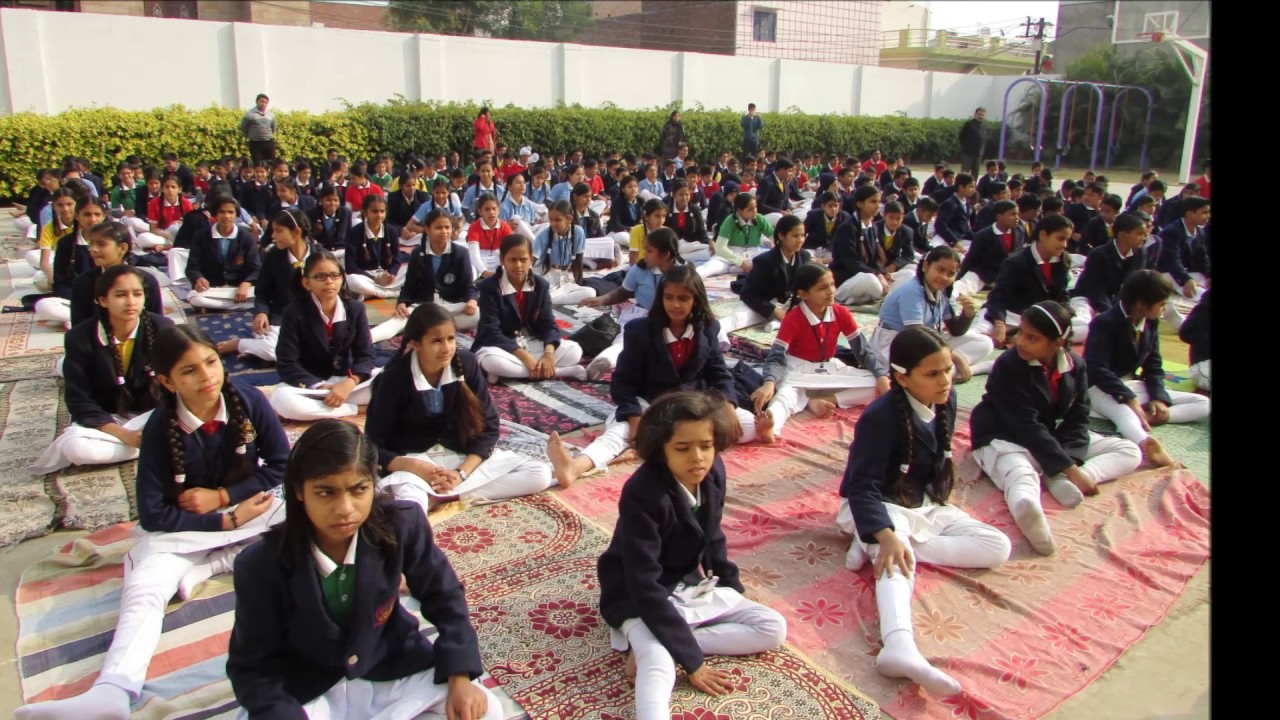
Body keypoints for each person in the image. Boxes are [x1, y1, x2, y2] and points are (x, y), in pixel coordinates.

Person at [15, 325, 288, 720]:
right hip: (188, 529)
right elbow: (154, 513)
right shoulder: (161, 426)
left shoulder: (248, 401)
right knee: (145, 587)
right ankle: (113, 689)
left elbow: (280, 466)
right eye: (189, 371)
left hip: (251, 513)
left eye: (211, 362)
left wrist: (226, 498)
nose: (207, 376)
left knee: (310, 519)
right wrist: (223, 522)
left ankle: (209, 566)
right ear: (167, 381)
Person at [225, 421, 501, 720]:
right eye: (326, 493)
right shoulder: (260, 564)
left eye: (359, 490)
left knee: (486, 710)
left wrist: (460, 676)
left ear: (373, 484)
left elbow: (444, 596)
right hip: (308, 688)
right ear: (299, 491)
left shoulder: (402, 525)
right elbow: (253, 666)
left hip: (390, 669)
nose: (345, 508)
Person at [837, 326, 1010, 699]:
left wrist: (902, 536)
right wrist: (884, 534)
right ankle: (898, 646)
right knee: (894, 558)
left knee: (997, 546)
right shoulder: (879, 417)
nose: (945, 380)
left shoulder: (945, 400)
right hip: (875, 505)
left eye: (947, 370)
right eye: (933, 374)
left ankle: (880, 545)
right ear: (902, 376)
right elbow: (861, 487)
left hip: (920, 505)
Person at [596, 392, 788, 720]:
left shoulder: (713, 473)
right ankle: (656, 649)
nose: (698, 458)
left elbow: (712, 536)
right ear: (660, 450)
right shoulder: (642, 492)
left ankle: (668, 640)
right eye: (683, 449)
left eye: (706, 445)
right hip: (636, 594)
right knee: (657, 661)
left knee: (773, 627)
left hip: (686, 586)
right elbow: (642, 580)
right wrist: (693, 663)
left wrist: (731, 587)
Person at [549, 266, 769, 485]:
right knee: (621, 432)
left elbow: (718, 372)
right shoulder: (640, 330)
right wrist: (635, 417)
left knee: (745, 426)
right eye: (669, 297)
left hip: (693, 404)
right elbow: (623, 382)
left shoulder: (707, 328)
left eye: (683, 298)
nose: (675, 304)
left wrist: (728, 406)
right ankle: (575, 467)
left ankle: (669, 440)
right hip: (651, 403)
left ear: (696, 300)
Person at [970, 301, 1142, 556]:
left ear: (1057, 343)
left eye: (1033, 338)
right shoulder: (1009, 365)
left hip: (1048, 436)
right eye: (1021, 333)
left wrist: (1068, 462)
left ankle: (1057, 476)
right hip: (1003, 434)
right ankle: (1031, 512)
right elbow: (1023, 424)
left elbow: (1079, 416)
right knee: (1020, 476)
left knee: (1129, 451)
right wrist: (1071, 469)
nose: (1021, 342)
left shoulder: (1075, 366)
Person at [365, 304, 557, 507]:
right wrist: (417, 467)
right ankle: (434, 494)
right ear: (416, 344)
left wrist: (461, 473)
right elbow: (373, 444)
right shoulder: (394, 377)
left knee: (539, 474)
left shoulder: (466, 364)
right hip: (414, 464)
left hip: (459, 458)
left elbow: (490, 426)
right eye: (436, 341)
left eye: (451, 339)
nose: (447, 348)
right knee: (410, 503)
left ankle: (443, 496)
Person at [30, 266, 173, 476]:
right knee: (77, 449)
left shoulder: (164, 328)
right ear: (103, 300)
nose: (131, 301)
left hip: (152, 415)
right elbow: (79, 400)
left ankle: (151, 443)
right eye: (121, 295)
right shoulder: (80, 338)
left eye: (137, 294)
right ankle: (155, 446)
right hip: (109, 421)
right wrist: (124, 434)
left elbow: (178, 385)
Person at [750, 263, 890, 438]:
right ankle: (772, 425)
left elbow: (863, 350)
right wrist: (769, 383)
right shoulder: (793, 318)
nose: (831, 291)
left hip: (829, 368)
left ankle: (826, 400)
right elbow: (776, 357)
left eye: (832, 284)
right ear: (803, 294)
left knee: (878, 384)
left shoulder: (841, 313)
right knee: (785, 398)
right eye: (823, 288)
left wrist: (881, 375)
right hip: (797, 372)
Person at [1083, 271, 1208, 466]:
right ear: (1141, 304)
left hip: (1132, 387)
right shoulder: (1105, 323)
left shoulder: (1150, 322)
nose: (1163, 309)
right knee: (1123, 414)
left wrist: (1158, 399)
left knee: (1203, 404)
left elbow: (1154, 365)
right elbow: (1096, 368)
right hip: (1102, 390)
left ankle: (1149, 417)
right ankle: (1147, 446)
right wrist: (1129, 398)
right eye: (1161, 304)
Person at [270, 251, 377, 421]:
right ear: (306, 282)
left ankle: (333, 405)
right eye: (320, 277)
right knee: (281, 400)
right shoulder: (294, 312)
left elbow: (366, 356)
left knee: (394, 379)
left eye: (334, 275)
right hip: (312, 388)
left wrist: (349, 383)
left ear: (342, 279)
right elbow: (287, 362)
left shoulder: (355, 309)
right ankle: (356, 408)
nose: (329, 282)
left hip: (348, 383)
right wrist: (321, 386)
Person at [472, 234, 587, 382]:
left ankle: (511, 372)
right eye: (512, 260)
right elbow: (491, 331)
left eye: (523, 260)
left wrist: (549, 353)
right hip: (501, 346)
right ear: (502, 260)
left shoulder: (540, 286)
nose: (518, 265)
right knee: (492, 361)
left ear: (531, 260)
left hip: (531, 342)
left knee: (574, 351)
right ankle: (561, 372)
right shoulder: (490, 287)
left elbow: (548, 324)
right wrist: (526, 357)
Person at [874, 246, 992, 382]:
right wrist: (955, 357)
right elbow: (916, 336)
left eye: (950, 274)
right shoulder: (912, 291)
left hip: (928, 339)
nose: (944, 277)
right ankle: (960, 368)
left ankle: (952, 367)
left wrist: (967, 314)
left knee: (985, 342)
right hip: (898, 343)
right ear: (925, 266)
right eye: (940, 270)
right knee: (916, 376)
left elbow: (955, 330)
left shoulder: (942, 291)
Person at [371, 209, 478, 343]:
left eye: (447, 227)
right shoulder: (417, 253)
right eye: (439, 227)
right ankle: (366, 339)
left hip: (451, 307)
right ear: (427, 229)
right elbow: (409, 287)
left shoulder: (460, 253)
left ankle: (425, 327)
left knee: (478, 315)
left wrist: (472, 301)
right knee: (397, 321)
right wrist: (402, 303)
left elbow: (468, 286)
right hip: (424, 307)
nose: (444, 232)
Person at [185, 196, 261, 311]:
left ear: (236, 215)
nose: (227, 216)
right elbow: (192, 267)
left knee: (262, 294)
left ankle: (216, 307)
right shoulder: (202, 236)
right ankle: (237, 306)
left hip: (239, 289)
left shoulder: (246, 237)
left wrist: (246, 284)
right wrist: (198, 279)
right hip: (213, 289)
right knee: (194, 297)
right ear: (215, 214)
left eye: (231, 212)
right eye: (222, 212)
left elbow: (256, 269)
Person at [343, 194, 404, 300]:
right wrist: (375, 279)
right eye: (375, 211)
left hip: (387, 276)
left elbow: (397, 259)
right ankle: (391, 294)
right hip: (367, 277)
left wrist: (392, 275)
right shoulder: (355, 232)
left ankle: (369, 294)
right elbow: (350, 266)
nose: (379, 215)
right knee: (351, 280)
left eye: (382, 211)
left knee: (410, 270)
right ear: (365, 213)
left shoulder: (391, 231)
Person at [239, 93, 276, 165]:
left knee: (271, 162)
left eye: (265, 102)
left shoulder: (270, 114)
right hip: (255, 143)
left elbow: (274, 127)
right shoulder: (249, 114)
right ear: (257, 101)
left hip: (268, 142)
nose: (263, 104)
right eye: (261, 101)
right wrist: (251, 135)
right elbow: (244, 127)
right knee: (257, 163)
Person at [958, 108, 987, 178]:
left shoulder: (984, 125)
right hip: (968, 153)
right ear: (975, 114)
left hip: (978, 154)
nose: (981, 116)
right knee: (965, 173)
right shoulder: (969, 124)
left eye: (982, 115)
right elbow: (961, 137)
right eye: (979, 114)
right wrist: (966, 147)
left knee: (975, 173)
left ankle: (973, 187)